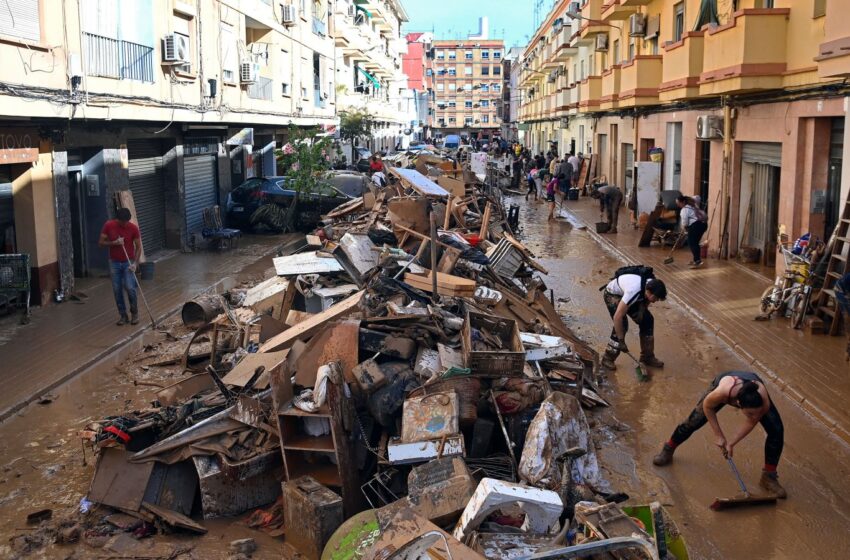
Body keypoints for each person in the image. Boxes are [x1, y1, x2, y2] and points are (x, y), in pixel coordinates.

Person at [652, 371, 787, 498]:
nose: (755, 416)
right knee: (693, 421)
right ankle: (668, 449)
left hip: (750, 388)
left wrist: (731, 443)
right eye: (750, 413)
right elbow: (707, 407)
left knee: (777, 430)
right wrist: (719, 435)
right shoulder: (721, 393)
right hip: (726, 382)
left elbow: (752, 421)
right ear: (739, 405)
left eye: (757, 412)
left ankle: (768, 477)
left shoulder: (762, 400)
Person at [600, 266, 667, 370]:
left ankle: (647, 357)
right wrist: (621, 341)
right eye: (655, 298)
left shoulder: (652, 283)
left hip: (631, 294)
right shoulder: (634, 291)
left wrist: (642, 310)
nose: (655, 301)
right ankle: (608, 357)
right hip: (613, 294)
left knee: (647, 320)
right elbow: (617, 317)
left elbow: (647, 300)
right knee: (622, 324)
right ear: (648, 292)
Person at [99, 208, 142, 326]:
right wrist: (114, 243)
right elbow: (101, 243)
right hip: (114, 262)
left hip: (129, 262)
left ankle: (134, 313)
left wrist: (135, 264)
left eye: (127, 221)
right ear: (117, 219)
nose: (125, 224)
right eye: (122, 222)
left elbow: (138, 247)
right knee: (117, 289)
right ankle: (123, 315)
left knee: (130, 287)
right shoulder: (109, 225)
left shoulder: (133, 228)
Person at [677, 195, 708, 268]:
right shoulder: (692, 206)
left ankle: (697, 261)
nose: (678, 205)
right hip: (703, 225)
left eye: (678, 203)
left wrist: (684, 228)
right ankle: (696, 260)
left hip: (696, 225)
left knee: (692, 243)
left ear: (683, 202)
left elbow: (685, 222)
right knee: (695, 243)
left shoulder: (684, 210)